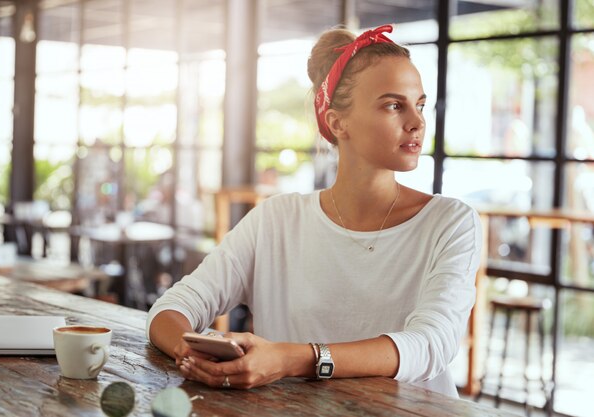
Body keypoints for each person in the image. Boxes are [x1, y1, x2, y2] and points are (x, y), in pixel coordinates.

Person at [146, 24, 482, 398]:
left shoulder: (450, 222)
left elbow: (431, 344)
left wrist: (292, 359)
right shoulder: (275, 220)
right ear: (338, 123)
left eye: (419, 104)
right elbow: (172, 309)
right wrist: (192, 354)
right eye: (393, 105)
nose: (417, 122)